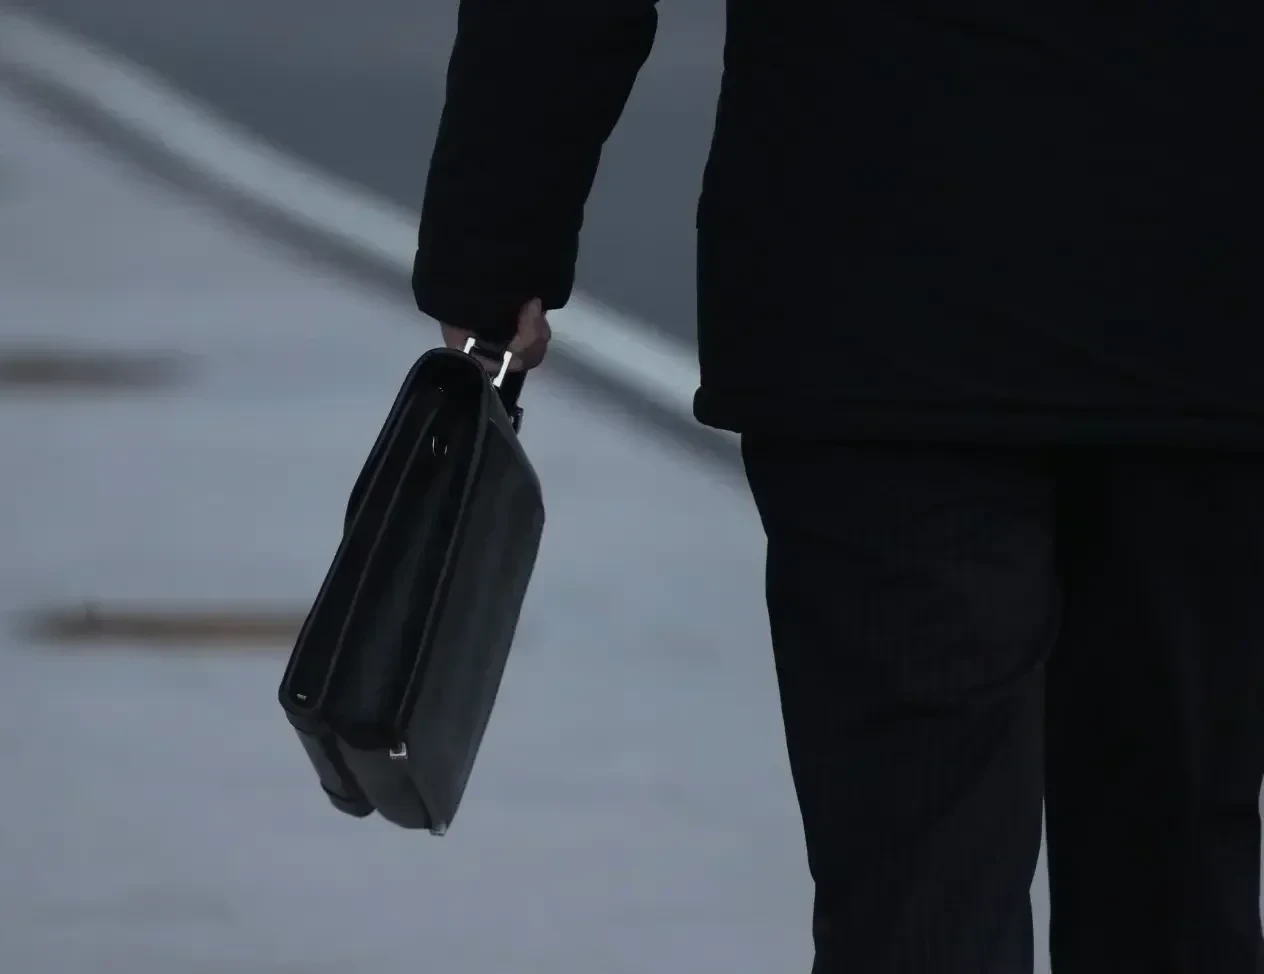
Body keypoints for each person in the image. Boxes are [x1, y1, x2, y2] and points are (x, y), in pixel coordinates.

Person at [410, 1, 1264, 971]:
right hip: (1204, 273)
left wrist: (493, 244)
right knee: (1176, 869)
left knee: (918, 883)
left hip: (878, 274)